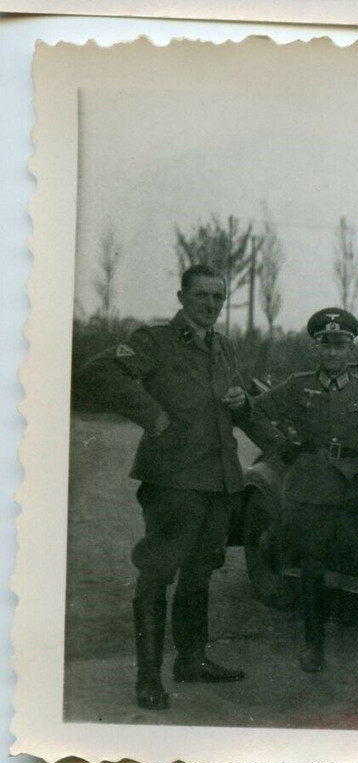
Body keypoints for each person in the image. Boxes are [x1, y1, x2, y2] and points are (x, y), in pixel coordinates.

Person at [84, 265, 283, 711]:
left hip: (219, 482)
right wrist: (152, 416)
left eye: (218, 297)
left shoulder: (224, 347)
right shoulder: (155, 342)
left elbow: (238, 407)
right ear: (181, 297)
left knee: (200, 571)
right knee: (158, 571)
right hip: (172, 481)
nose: (210, 305)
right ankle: (148, 678)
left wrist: (259, 422)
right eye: (201, 296)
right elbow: (100, 371)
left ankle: (191, 660)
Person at [249, 308, 358, 673]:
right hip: (310, 486)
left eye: (340, 345)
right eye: (325, 345)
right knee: (312, 566)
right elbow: (254, 412)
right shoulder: (298, 386)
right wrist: (281, 446)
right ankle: (314, 645)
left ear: (351, 350)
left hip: (351, 488)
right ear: (316, 349)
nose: (332, 353)